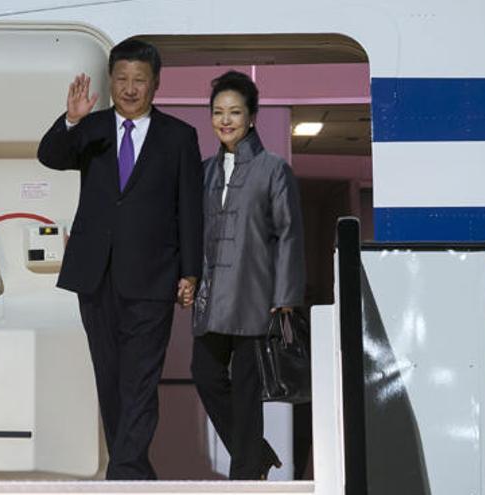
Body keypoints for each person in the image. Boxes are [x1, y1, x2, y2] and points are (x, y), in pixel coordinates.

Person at [36, 38, 203, 480]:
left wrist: (191, 271)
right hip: (95, 275)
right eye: (122, 79)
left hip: (153, 276)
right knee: (110, 380)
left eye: (139, 81)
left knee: (141, 382)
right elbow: (49, 156)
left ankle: (125, 474)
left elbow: (189, 206)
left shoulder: (179, 136)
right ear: (111, 81)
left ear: (156, 85)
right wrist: (70, 120)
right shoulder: (89, 129)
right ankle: (133, 473)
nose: (130, 89)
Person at [191, 70, 306, 480]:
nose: (225, 120)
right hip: (211, 295)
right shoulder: (203, 171)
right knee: (204, 375)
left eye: (235, 112)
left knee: (245, 390)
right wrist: (189, 278)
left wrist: (286, 294)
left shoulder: (274, 169)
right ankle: (254, 454)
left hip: (256, 294)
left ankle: (244, 474)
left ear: (252, 117)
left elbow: (290, 232)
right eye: (218, 112)